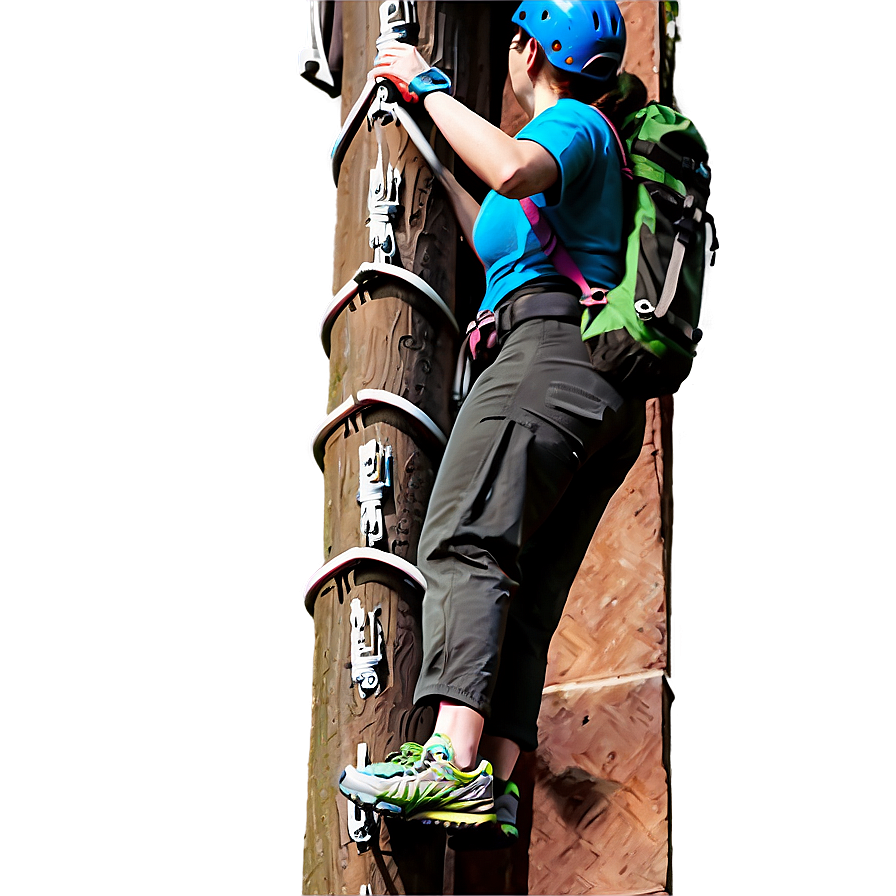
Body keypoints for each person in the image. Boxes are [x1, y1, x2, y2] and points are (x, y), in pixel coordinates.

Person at [339, 1, 647, 848]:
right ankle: (498, 781)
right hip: (586, 387)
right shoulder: (571, 167)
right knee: (529, 586)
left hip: (547, 357)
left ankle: (449, 756)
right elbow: (502, 234)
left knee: (463, 538)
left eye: (516, 44)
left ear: (527, 48)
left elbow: (510, 169)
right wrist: (436, 160)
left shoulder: (578, 126)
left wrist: (425, 85)